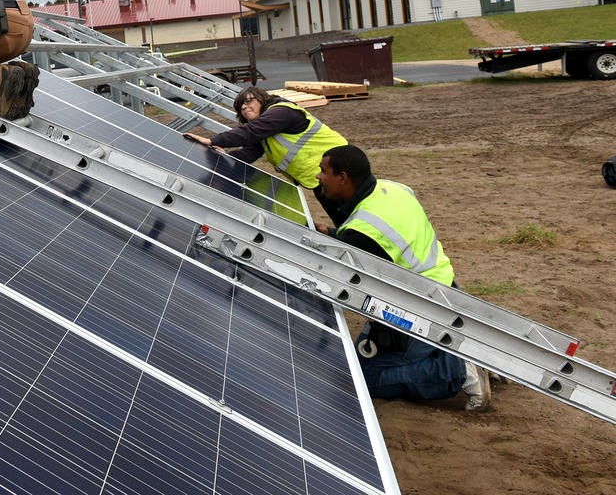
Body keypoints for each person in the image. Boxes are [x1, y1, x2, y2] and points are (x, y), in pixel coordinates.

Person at [316, 144, 492, 411]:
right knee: (365, 351)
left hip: (418, 308)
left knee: (365, 378)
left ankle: (457, 370)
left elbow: (359, 250)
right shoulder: (393, 188)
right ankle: (467, 349)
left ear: (343, 177)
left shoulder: (361, 230)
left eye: (324, 171)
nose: (318, 177)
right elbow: (385, 235)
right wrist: (334, 234)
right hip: (444, 286)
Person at [183, 85, 348, 220]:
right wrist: (223, 156)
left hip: (342, 170)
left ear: (262, 97)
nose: (244, 107)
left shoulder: (280, 112)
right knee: (342, 221)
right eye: (240, 107)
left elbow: (250, 132)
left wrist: (213, 140)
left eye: (248, 101)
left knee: (354, 219)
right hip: (321, 179)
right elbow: (250, 151)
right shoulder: (266, 129)